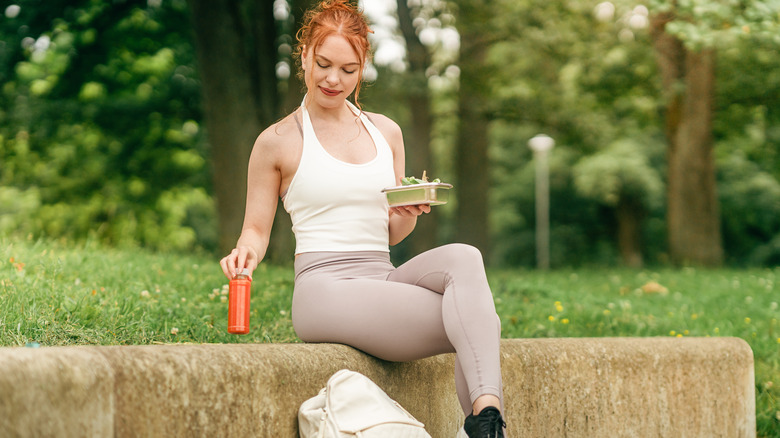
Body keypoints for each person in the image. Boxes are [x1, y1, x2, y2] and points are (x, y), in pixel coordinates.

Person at [219, 1, 506, 436]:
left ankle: (486, 418)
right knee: (471, 320)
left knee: (464, 258)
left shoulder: (386, 132)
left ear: (363, 68)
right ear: (304, 58)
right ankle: (489, 426)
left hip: (381, 276)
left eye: (348, 69)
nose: (334, 79)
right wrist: (245, 253)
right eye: (323, 64)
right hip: (324, 289)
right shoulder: (277, 142)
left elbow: (392, 233)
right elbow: (256, 229)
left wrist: (406, 213)